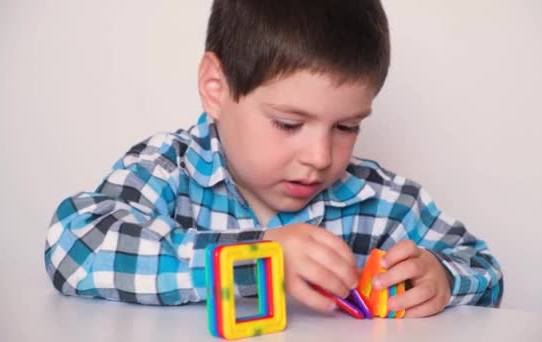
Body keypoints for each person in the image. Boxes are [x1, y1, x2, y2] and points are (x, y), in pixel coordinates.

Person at [44, 0, 503, 318]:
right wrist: (255, 258)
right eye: (288, 124)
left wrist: (441, 277)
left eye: (346, 127)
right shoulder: (170, 168)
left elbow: (485, 270)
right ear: (216, 90)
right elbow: (76, 246)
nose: (321, 157)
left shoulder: (384, 202)